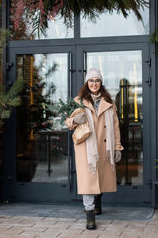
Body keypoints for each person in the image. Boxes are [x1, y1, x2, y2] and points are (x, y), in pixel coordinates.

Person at [65, 68, 123, 230]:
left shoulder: (109, 103)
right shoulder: (78, 101)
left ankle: (97, 202)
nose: (94, 83)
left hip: (104, 145)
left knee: (102, 177)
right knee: (88, 179)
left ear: (101, 83)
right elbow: (68, 122)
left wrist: (117, 147)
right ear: (87, 83)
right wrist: (75, 120)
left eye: (97, 80)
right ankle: (90, 215)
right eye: (91, 80)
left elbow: (116, 126)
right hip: (86, 147)